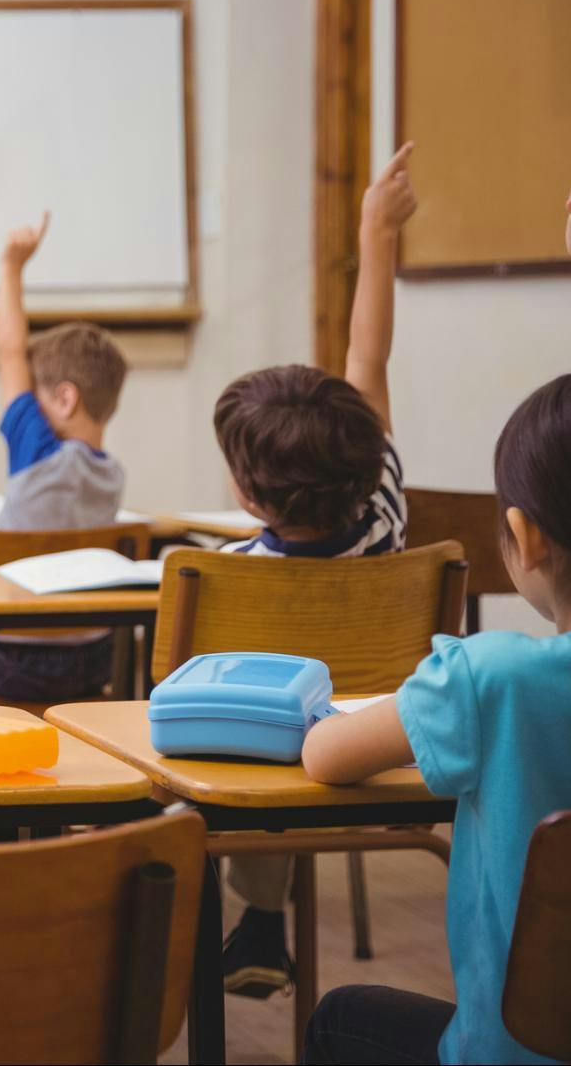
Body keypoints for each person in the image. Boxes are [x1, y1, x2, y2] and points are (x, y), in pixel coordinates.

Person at [301, 371, 571, 1066]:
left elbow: (324, 755)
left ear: (524, 536)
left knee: (339, 1016)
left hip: (514, 1054)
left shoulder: (489, 680)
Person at [215, 143, 418, 996]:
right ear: (369, 461)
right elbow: (366, 355)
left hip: (263, 768)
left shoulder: (223, 571)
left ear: (246, 495)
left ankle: (257, 921)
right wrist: (375, 234)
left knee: (245, 743)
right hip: (387, 734)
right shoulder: (387, 512)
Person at [0, 211, 132, 704]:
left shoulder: (38, 453)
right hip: (91, 657)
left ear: (64, 399)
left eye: (38, 396)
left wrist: (11, 269)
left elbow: (10, 353)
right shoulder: (112, 476)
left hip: (11, 656)